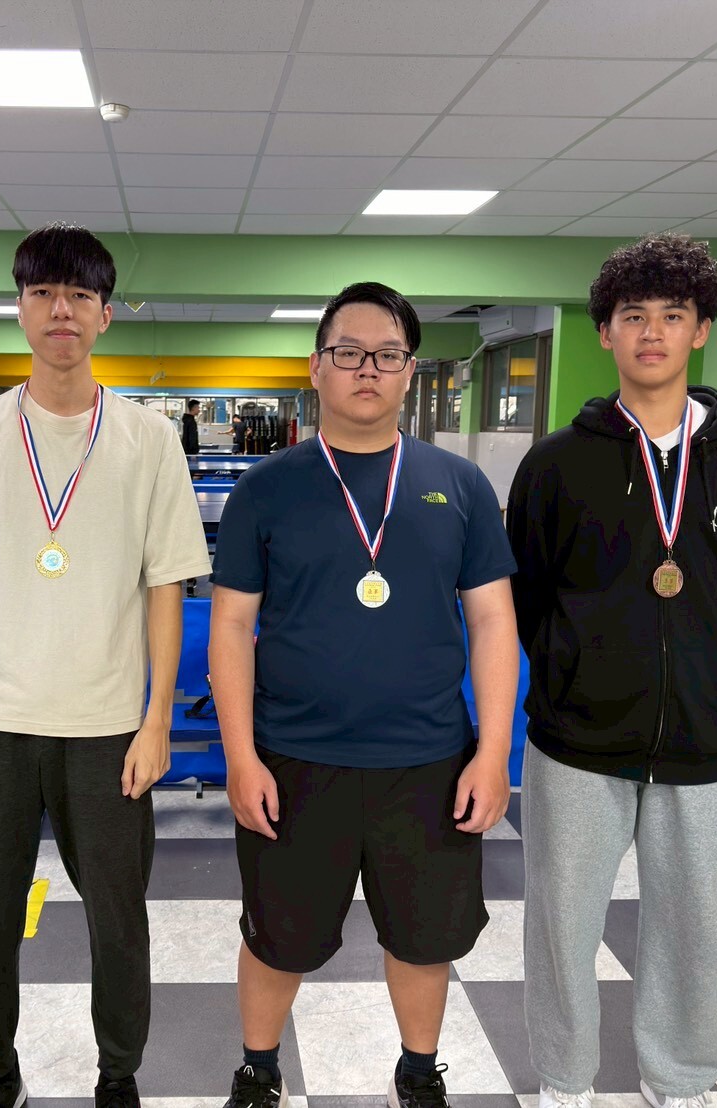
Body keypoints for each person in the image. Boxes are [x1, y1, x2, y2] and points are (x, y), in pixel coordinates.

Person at [0, 224, 209, 1108]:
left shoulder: (148, 439)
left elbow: (165, 588)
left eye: (79, 295)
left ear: (105, 314)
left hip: (107, 728)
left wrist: (155, 722)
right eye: (42, 293)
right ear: (20, 309)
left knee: (117, 920)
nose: (60, 310)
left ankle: (118, 1074)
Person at [209, 282, 520, 1108]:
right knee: (277, 938)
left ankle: (417, 1071)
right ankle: (258, 1069)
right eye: (348, 352)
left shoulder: (458, 485)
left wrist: (492, 752)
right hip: (293, 760)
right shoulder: (265, 489)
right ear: (316, 367)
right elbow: (231, 626)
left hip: (427, 761)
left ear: (410, 371)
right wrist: (239, 758)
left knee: (424, 939)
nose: (367, 369)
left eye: (387, 354)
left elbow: (493, 620)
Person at [506, 234, 717, 1108]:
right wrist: (573, 673)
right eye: (633, 316)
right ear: (605, 333)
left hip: (703, 740)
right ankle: (564, 1080)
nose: (652, 333)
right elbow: (529, 592)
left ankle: (680, 1076)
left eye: (673, 315)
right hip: (577, 741)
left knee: (689, 927)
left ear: (700, 330)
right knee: (561, 925)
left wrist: (698, 666)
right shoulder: (557, 461)